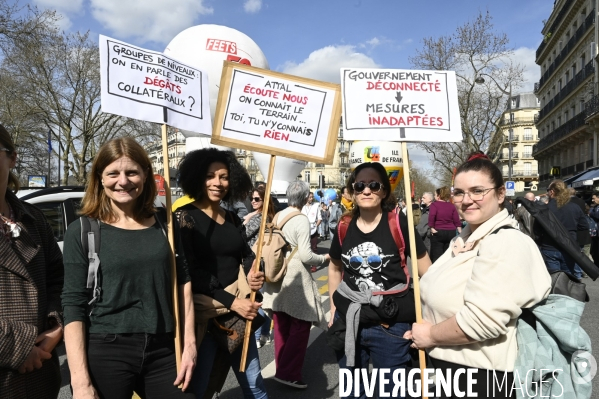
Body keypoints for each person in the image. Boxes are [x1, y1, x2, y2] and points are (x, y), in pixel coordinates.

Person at [406, 152, 551, 398]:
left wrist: (430, 335)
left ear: (501, 194)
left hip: (481, 379)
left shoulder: (505, 242)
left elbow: (479, 321)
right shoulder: (467, 237)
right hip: (452, 370)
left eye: (477, 191)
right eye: (459, 192)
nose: (467, 200)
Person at [62, 137, 195, 399]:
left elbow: (184, 282)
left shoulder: (165, 224)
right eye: (113, 173)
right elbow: (73, 304)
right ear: (100, 178)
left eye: (132, 172)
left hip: (164, 348)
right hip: (107, 349)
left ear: (145, 175)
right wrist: (80, 383)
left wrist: (189, 344)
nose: (123, 181)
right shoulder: (82, 231)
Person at [328, 162, 431, 398]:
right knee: (353, 394)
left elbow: (428, 272)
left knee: (394, 393)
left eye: (374, 185)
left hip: (391, 327)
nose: (366, 190)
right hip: (349, 323)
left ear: (384, 191)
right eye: (360, 185)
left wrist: (426, 319)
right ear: (352, 191)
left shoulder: (399, 223)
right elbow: (334, 267)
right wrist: (333, 307)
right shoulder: (344, 226)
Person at [174, 148, 268, 399]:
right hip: (204, 319)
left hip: (237, 318)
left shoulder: (232, 218)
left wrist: (255, 273)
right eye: (210, 176)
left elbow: (246, 255)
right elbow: (190, 270)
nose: (218, 182)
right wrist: (233, 302)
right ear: (197, 178)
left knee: (256, 387)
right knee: (198, 390)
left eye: (224, 176)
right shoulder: (183, 218)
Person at [0, 125, 64, 398]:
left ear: (12, 158)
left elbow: (58, 280)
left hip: (39, 375)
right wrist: (18, 346)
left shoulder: (35, 219)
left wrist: (57, 327)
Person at [262, 181, 330, 389]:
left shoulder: (279, 215)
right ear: (304, 197)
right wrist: (324, 259)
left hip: (277, 272)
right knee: (301, 325)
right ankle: (289, 372)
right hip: (295, 275)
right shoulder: (300, 219)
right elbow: (306, 255)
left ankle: (282, 366)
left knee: (282, 324)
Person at [242, 186, 275, 348]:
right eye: (252, 198)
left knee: (256, 299)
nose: (253, 201)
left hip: (255, 262)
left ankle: (256, 336)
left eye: (257, 199)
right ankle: (265, 334)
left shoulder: (260, 217)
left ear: (265, 201)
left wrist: (246, 220)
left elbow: (243, 234)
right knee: (263, 298)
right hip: (260, 261)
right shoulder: (266, 216)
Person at [538, 180, 588, 279]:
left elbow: (537, 229)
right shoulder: (575, 207)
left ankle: (555, 294)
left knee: (553, 279)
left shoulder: (545, 209)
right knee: (568, 278)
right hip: (569, 246)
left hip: (550, 246)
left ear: (552, 192)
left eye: (548, 191)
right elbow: (584, 226)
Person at [428, 186, 462, 262]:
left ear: (439, 195)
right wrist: (459, 228)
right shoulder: (451, 206)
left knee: (437, 255)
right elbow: (456, 218)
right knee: (447, 254)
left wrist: (432, 227)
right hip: (451, 231)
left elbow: (432, 216)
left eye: (435, 194)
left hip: (438, 231)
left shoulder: (434, 205)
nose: (434, 196)